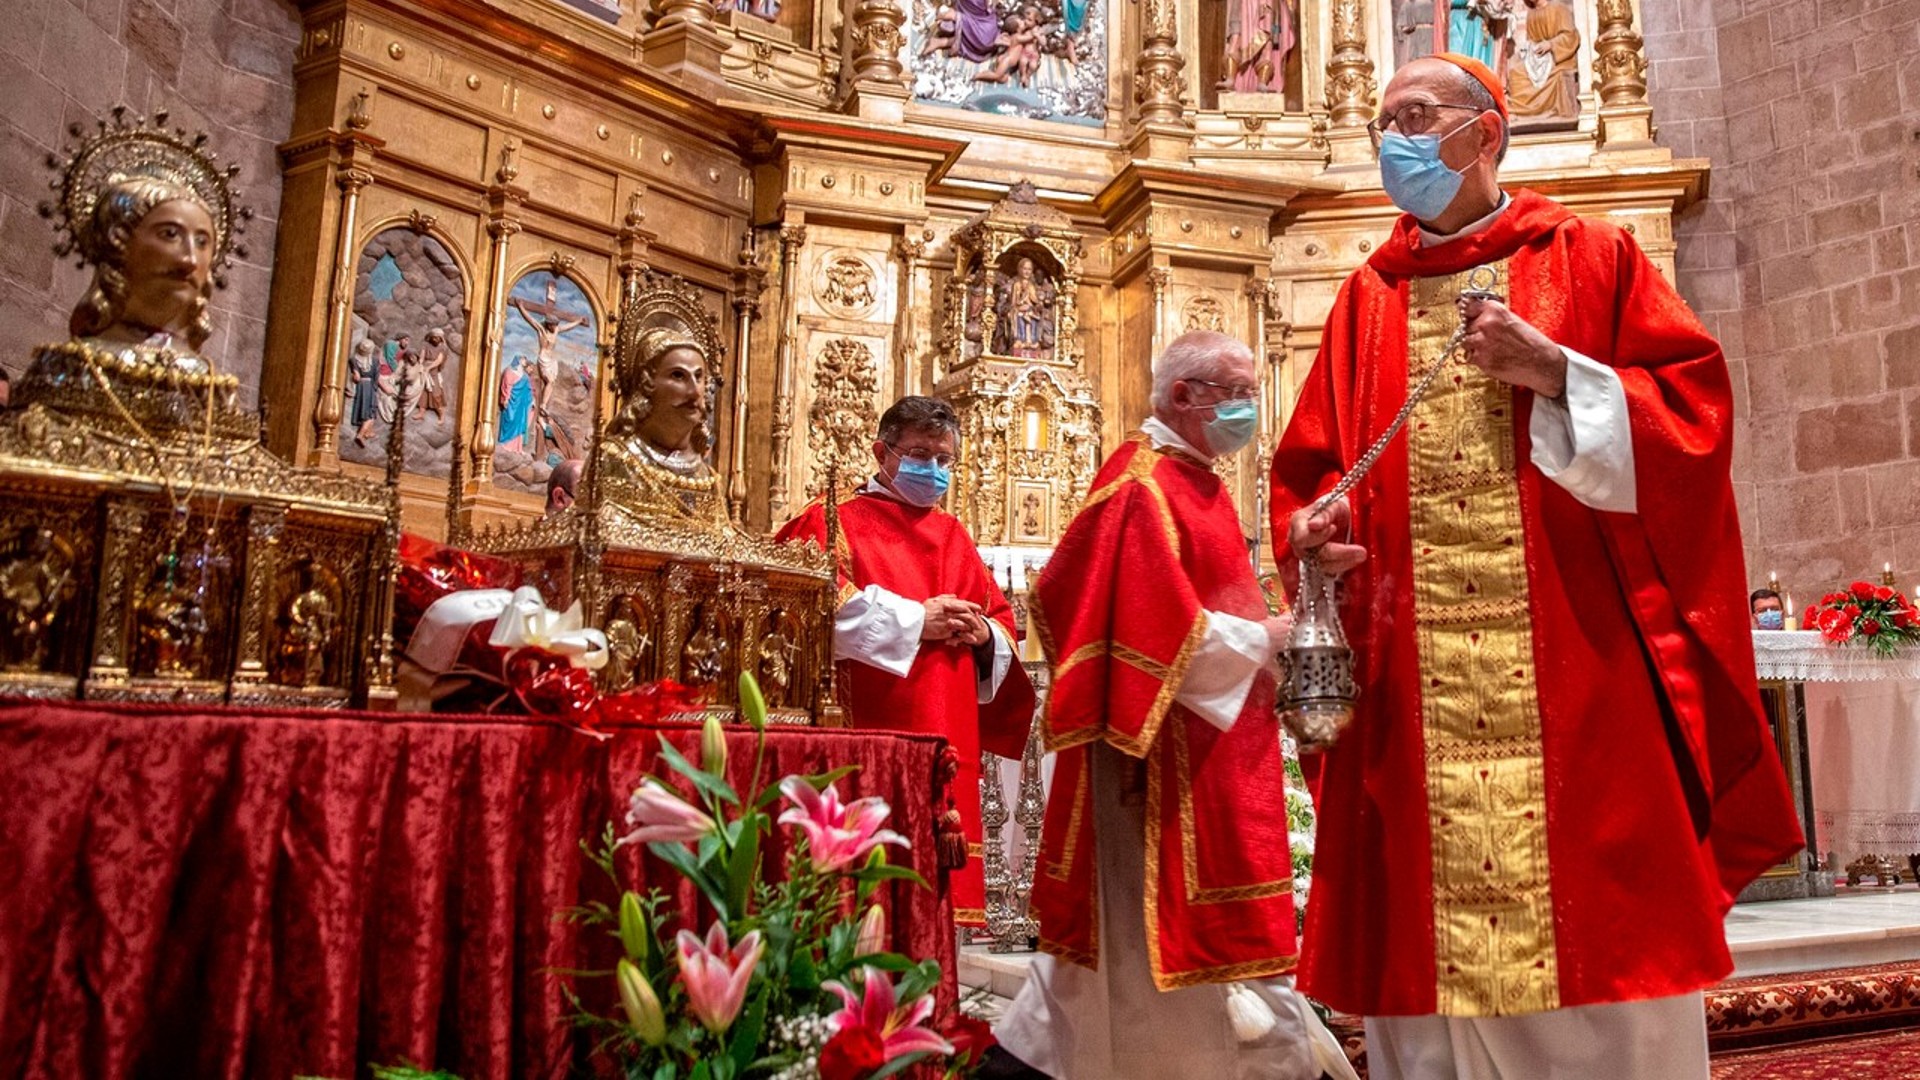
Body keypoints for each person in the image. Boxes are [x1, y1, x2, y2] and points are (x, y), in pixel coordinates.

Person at [1269, 54, 1802, 1080]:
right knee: (1422, 970)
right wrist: (1310, 537)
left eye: (1417, 118)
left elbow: (1694, 426)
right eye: (1385, 123)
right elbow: (1309, 472)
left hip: (1578, 674)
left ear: (1489, 132)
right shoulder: (1364, 301)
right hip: (1409, 695)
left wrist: (1556, 369)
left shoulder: (1589, 258)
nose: (1396, 142)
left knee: (1604, 943)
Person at [993, 331, 1322, 1080]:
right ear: (1184, 396)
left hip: (1210, 742)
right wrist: (1263, 635)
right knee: (1136, 952)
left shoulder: (1192, 478)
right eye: (1236, 391)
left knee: (1115, 973)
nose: (1250, 408)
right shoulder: (1139, 483)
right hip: (1155, 765)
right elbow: (1136, 621)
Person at [775, 395, 1036, 929]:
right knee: (860, 899)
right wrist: (919, 621)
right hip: (866, 733)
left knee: (930, 908)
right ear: (881, 451)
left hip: (944, 741)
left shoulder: (954, 536)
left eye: (944, 460)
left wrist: (985, 635)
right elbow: (809, 612)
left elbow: (1003, 623)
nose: (934, 471)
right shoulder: (831, 521)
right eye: (920, 455)